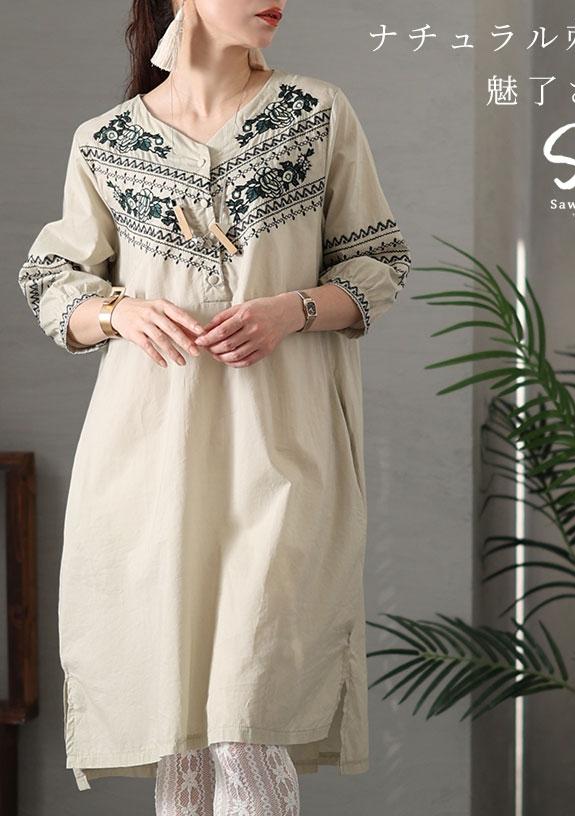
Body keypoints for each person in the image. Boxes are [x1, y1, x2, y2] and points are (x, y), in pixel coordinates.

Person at [17, 0, 411, 812]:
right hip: (147, 467)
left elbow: (379, 261)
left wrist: (294, 309)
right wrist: (118, 312)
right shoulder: (105, 141)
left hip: (283, 455)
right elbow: (51, 281)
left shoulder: (316, 114)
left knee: (246, 720)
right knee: (184, 745)